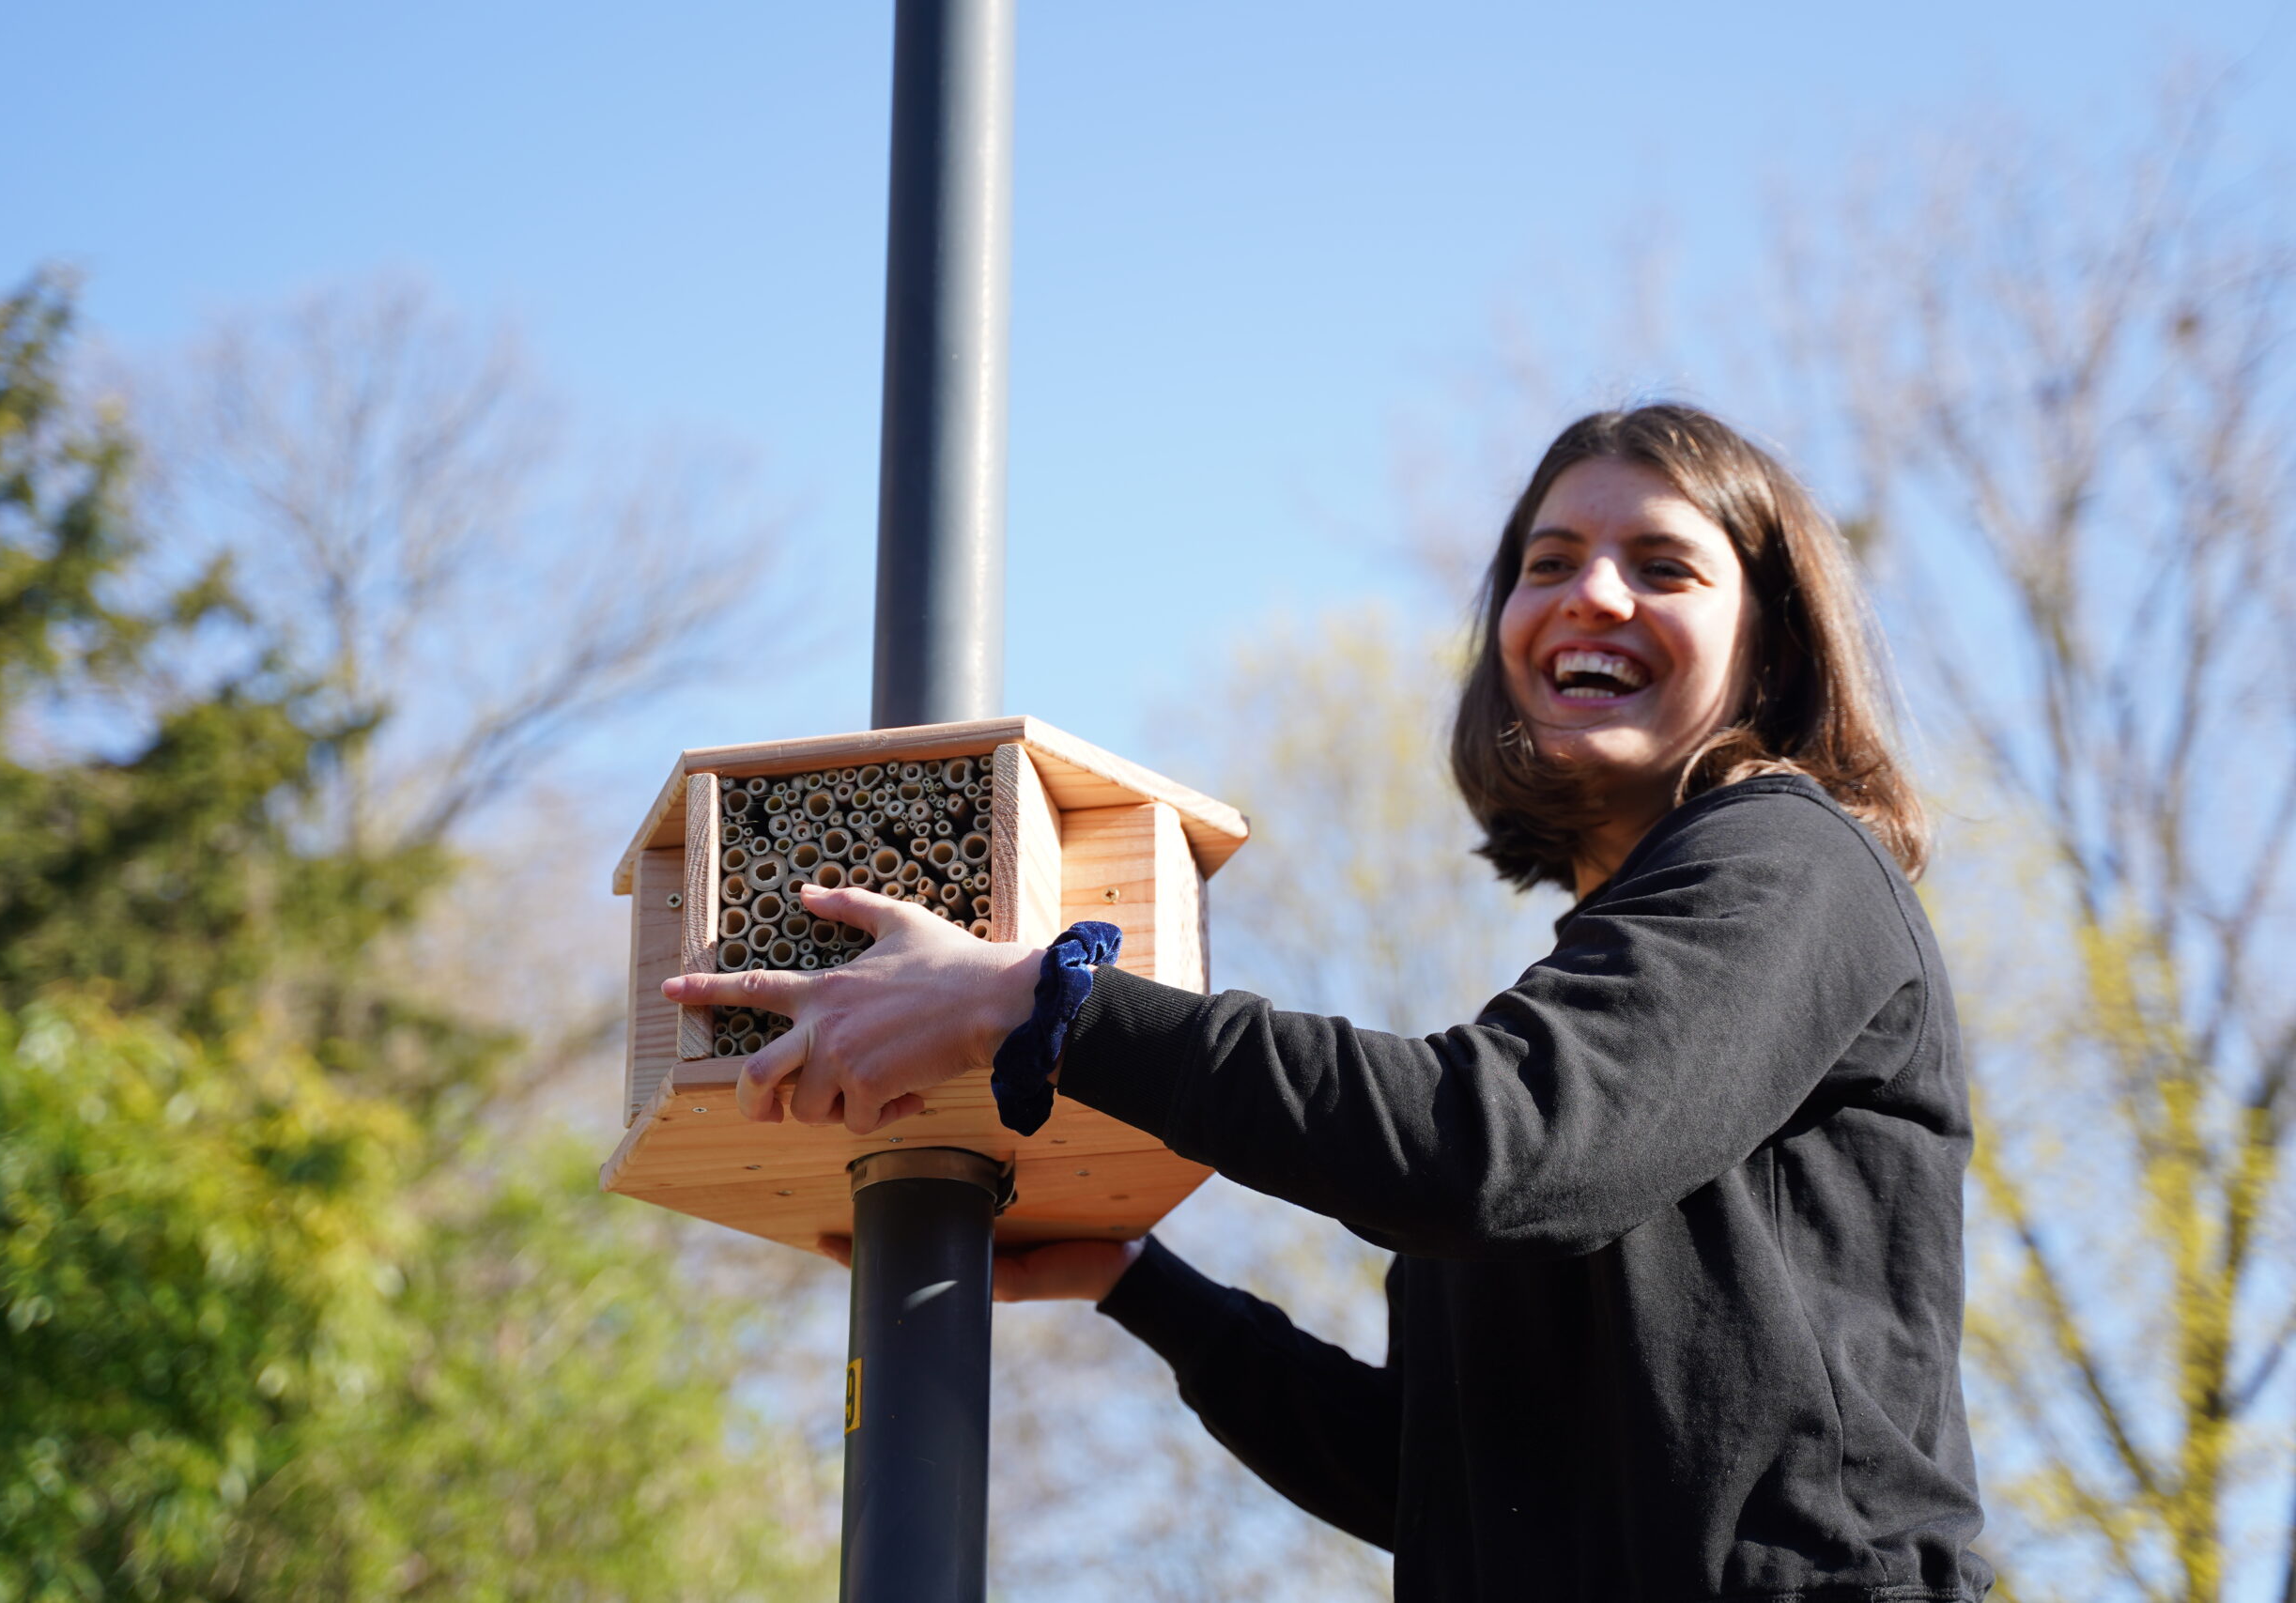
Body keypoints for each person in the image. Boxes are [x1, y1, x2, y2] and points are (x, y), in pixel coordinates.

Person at [666, 403, 1994, 1602]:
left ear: (1771, 646)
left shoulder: (1790, 861)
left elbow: (1492, 1148)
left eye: (1663, 565)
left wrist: (1040, 1002)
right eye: (1546, 564)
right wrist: (1142, 1285)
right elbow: (1429, 1481)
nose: (1591, 596)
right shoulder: (1608, 985)